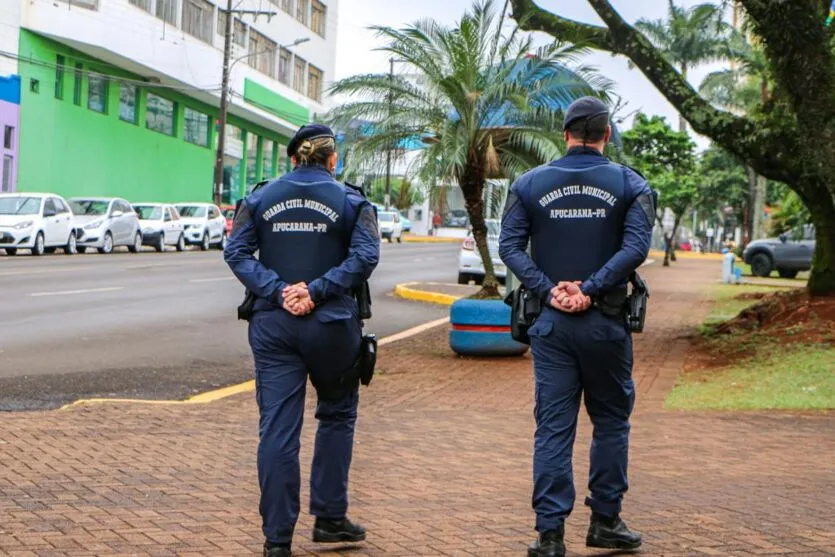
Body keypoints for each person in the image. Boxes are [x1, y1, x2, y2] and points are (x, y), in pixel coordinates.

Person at [498, 97, 654, 557]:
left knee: (552, 427)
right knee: (610, 422)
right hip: (605, 323)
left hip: (551, 325)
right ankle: (606, 521)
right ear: (606, 134)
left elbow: (510, 246)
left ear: (565, 134)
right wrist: (591, 287)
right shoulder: (630, 183)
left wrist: (551, 291)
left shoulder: (529, 184)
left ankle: (550, 535)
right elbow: (636, 247)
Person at [224, 124, 380, 557]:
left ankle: (277, 541)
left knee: (277, 429)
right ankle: (329, 519)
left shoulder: (259, 198)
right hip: (331, 323)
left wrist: (278, 290)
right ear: (332, 160)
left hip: (274, 325)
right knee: (336, 415)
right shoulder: (351, 200)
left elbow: (236, 252)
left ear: (293, 159)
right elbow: (366, 256)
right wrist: (316, 290)